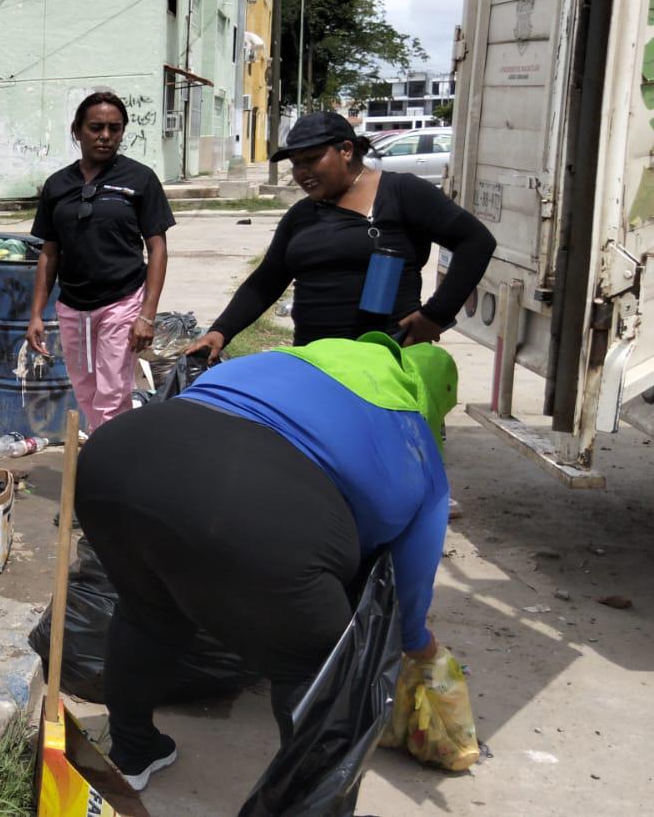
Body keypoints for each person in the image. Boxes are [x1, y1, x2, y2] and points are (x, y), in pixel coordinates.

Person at [75, 332, 458, 792]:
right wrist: (424, 653)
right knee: (319, 658)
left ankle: (131, 752)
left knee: (147, 610)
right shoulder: (417, 441)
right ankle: (306, 803)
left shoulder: (284, 361)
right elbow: (409, 594)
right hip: (242, 505)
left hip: (114, 460)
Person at [189, 111, 495, 359]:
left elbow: (476, 241)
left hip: (387, 362)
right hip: (316, 363)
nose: (302, 171)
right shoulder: (302, 216)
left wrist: (435, 315)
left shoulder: (401, 193)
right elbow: (267, 280)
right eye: (296, 164)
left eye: (312, 159)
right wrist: (221, 330)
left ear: (346, 150)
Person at [27, 91, 173, 430]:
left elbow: (158, 248)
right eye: (96, 127)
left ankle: (110, 468)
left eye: (114, 128)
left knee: (112, 392)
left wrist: (147, 315)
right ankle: (109, 451)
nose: (105, 136)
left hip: (121, 301)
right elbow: (49, 252)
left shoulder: (140, 179)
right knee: (85, 389)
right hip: (73, 307)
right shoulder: (58, 185)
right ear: (77, 130)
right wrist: (36, 313)